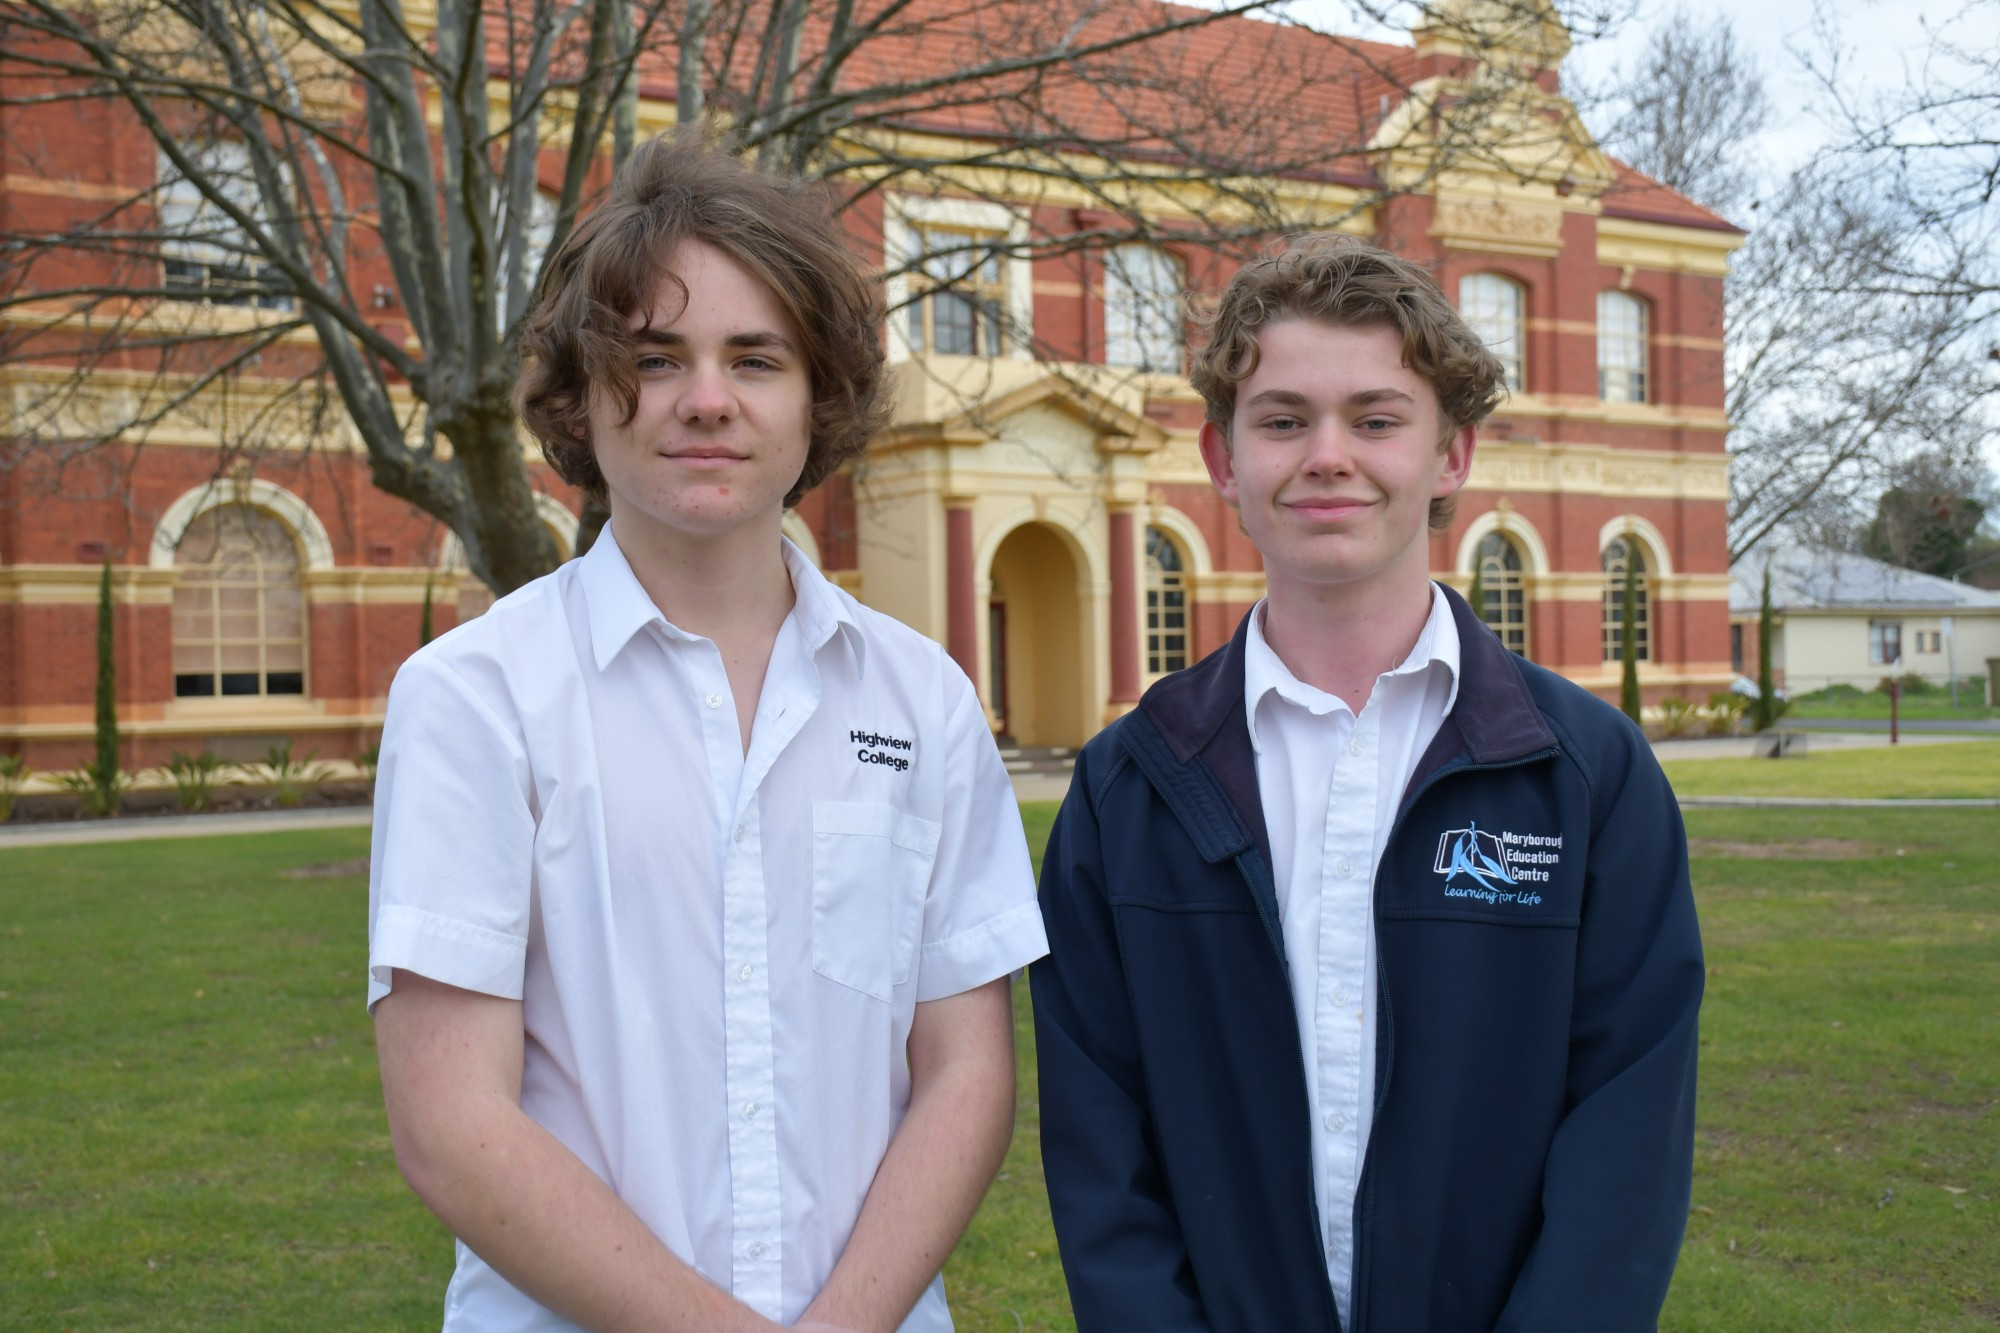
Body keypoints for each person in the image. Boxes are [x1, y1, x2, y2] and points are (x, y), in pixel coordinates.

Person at [368, 133, 1047, 1333]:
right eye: (652, 356)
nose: (706, 398)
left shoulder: (921, 700)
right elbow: (451, 1126)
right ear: (579, 398)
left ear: (817, 397)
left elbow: (965, 1072)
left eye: (755, 357)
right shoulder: (473, 695)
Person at [1030, 234, 1703, 1332]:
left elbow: (1624, 1140)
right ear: (1221, 456)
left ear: (1449, 455)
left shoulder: (1585, 773)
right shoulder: (1129, 788)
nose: (1327, 455)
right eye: (1283, 419)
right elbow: (1102, 1159)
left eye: (1376, 419)